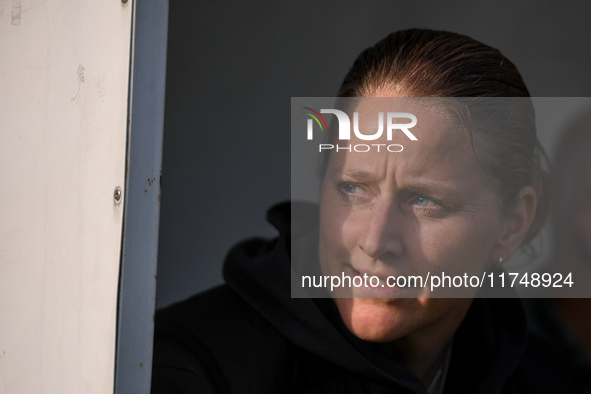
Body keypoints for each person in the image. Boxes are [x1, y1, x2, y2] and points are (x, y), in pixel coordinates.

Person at [151, 29, 589, 393]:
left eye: (424, 201)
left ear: (511, 226)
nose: (375, 240)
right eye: (353, 188)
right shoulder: (190, 368)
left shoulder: (548, 382)